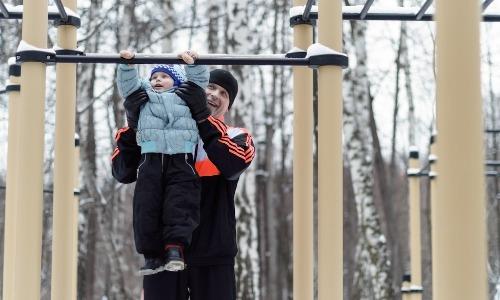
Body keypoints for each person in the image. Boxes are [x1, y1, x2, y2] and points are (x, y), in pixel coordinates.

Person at [112, 68, 255, 299]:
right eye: (210, 87)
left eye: (223, 93)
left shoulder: (235, 135)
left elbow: (233, 164)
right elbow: (122, 171)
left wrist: (201, 116)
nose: (214, 95)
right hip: (163, 253)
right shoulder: (157, 131)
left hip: (214, 254)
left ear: (228, 106)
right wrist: (134, 124)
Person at [116, 49, 209, 275]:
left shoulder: (185, 95)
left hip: (181, 158)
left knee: (180, 203)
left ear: (177, 81)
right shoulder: (145, 96)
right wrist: (127, 65)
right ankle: (151, 255)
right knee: (147, 205)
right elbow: (128, 86)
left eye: (164, 77)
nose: (157, 80)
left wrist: (192, 63)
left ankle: (175, 248)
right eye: (154, 77)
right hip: (151, 158)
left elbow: (199, 80)